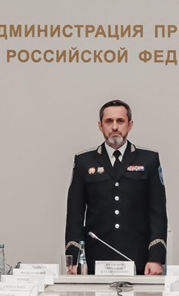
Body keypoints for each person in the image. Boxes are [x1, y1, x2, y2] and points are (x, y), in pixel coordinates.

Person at [65, 99, 167, 274]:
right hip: (95, 258)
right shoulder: (84, 162)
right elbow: (75, 214)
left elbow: (157, 212)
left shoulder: (148, 160)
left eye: (120, 121)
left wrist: (156, 257)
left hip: (139, 258)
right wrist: (74, 258)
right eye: (108, 121)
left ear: (130, 125)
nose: (114, 127)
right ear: (100, 126)